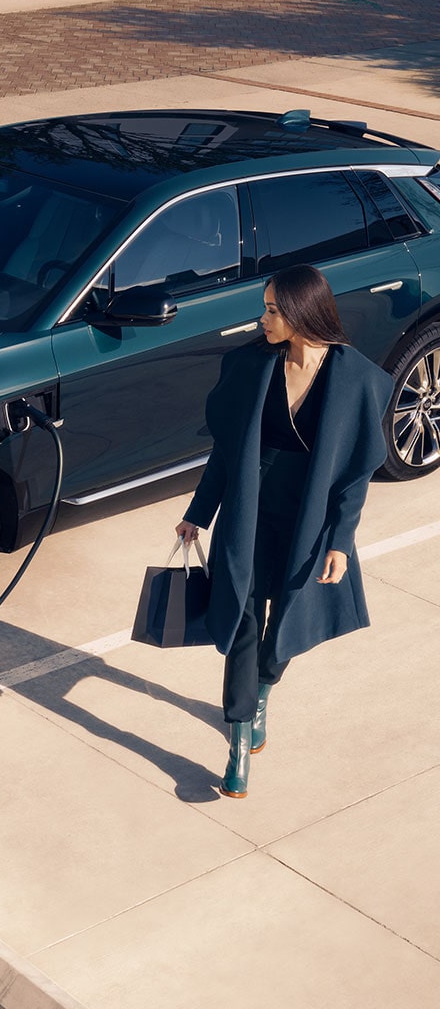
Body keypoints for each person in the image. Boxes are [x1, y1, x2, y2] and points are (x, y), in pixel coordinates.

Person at [175, 263, 393, 798]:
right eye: (266, 308)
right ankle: (238, 744)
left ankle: (265, 686)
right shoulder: (251, 367)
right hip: (249, 513)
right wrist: (198, 513)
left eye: (273, 310)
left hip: (308, 519)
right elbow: (226, 455)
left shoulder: (354, 377)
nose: (263, 319)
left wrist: (340, 540)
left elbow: (353, 475)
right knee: (243, 623)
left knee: (288, 622)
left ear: (301, 312)